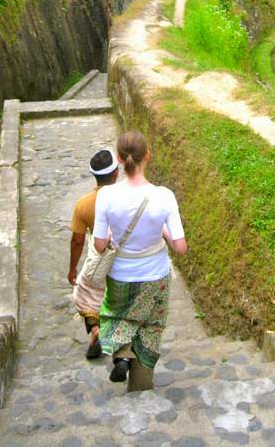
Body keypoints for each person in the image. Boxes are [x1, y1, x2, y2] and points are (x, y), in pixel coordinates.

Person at [94, 131, 187, 391]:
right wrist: (164, 232)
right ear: (147, 155)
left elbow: (100, 245)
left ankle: (123, 353)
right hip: (155, 274)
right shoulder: (164, 196)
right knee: (150, 327)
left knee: (119, 315)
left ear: (119, 160)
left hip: (121, 274)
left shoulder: (106, 196)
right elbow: (180, 247)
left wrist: (114, 234)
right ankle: (141, 385)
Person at [69, 148, 119, 359]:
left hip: (100, 258)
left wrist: (72, 269)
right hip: (126, 258)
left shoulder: (84, 205)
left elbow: (78, 240)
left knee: (85, 296)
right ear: (116, 173)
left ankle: (96, 330)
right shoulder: (128, 197)